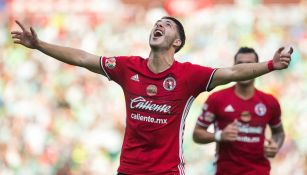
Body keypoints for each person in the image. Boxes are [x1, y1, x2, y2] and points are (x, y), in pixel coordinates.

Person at [11, 17, 292, 175]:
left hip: (167, 172)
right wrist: (39, 45)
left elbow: (231, 72)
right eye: (157, 23)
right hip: (129, 170)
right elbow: (84, 58)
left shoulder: (189, 76)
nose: (159, 25)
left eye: (167, 25)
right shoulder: (126, 67)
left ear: (178, 41)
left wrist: (270, 64)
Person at [193, 47, 286, 175]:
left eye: (249, 65)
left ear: (257, 68)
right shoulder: (217, 99)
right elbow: (197, 134)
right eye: (240, 64)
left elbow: (279, 133)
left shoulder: (269, 102)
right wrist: (219, 135)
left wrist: (275, 145)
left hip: (259, 171)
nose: (244, 69)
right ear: (234, 67)